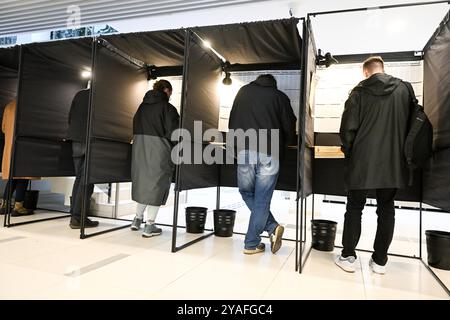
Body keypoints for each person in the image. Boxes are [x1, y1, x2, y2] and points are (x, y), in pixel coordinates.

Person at [336, 56, 412, 274]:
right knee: (386, 209)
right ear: (382, 69)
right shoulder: (404, 90)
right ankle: (380, 262)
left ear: (366, 72)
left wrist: (350, 152)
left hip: (362, 161)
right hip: (393, 161)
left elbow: (347, 129)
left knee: (354, 208)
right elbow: (411, 126)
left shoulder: (359, 92)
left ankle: (348, 257)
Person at [228, 74, 296, 255]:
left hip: (244, 149)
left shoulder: (242, 92)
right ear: (273, 85)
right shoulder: (279, 97)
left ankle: (261, 236)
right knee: (262, 199)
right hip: (270, 151)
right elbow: (290, 124)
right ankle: (264, 233)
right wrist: (288, 141)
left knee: (246, 192)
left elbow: (232, 119)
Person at [130, 80, 179, 237]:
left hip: (139, 148)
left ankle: (137, 220)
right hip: (159, 149)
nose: (170, 96)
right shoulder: (168, 108)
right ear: (166, 90)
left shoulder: (142, 107)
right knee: (157, 185)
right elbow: (174, 133)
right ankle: (150, 226)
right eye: (170, 93)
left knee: (144, 184)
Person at [67, 89, 98, 229]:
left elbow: (70, 116)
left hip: (76, 139)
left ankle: (75, 215)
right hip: (91, 140)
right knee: (87, 180)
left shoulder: (80, 94)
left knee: (79, 178)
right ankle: (78, 218)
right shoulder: (103, 96)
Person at [0, 99, 35, 216]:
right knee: (24, 175)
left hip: (10, 145)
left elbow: (4, 128)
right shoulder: (30, 105)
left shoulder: (9, 105)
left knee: (12, 176)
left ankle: (5, 205)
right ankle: (18, 206)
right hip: (25, 145)